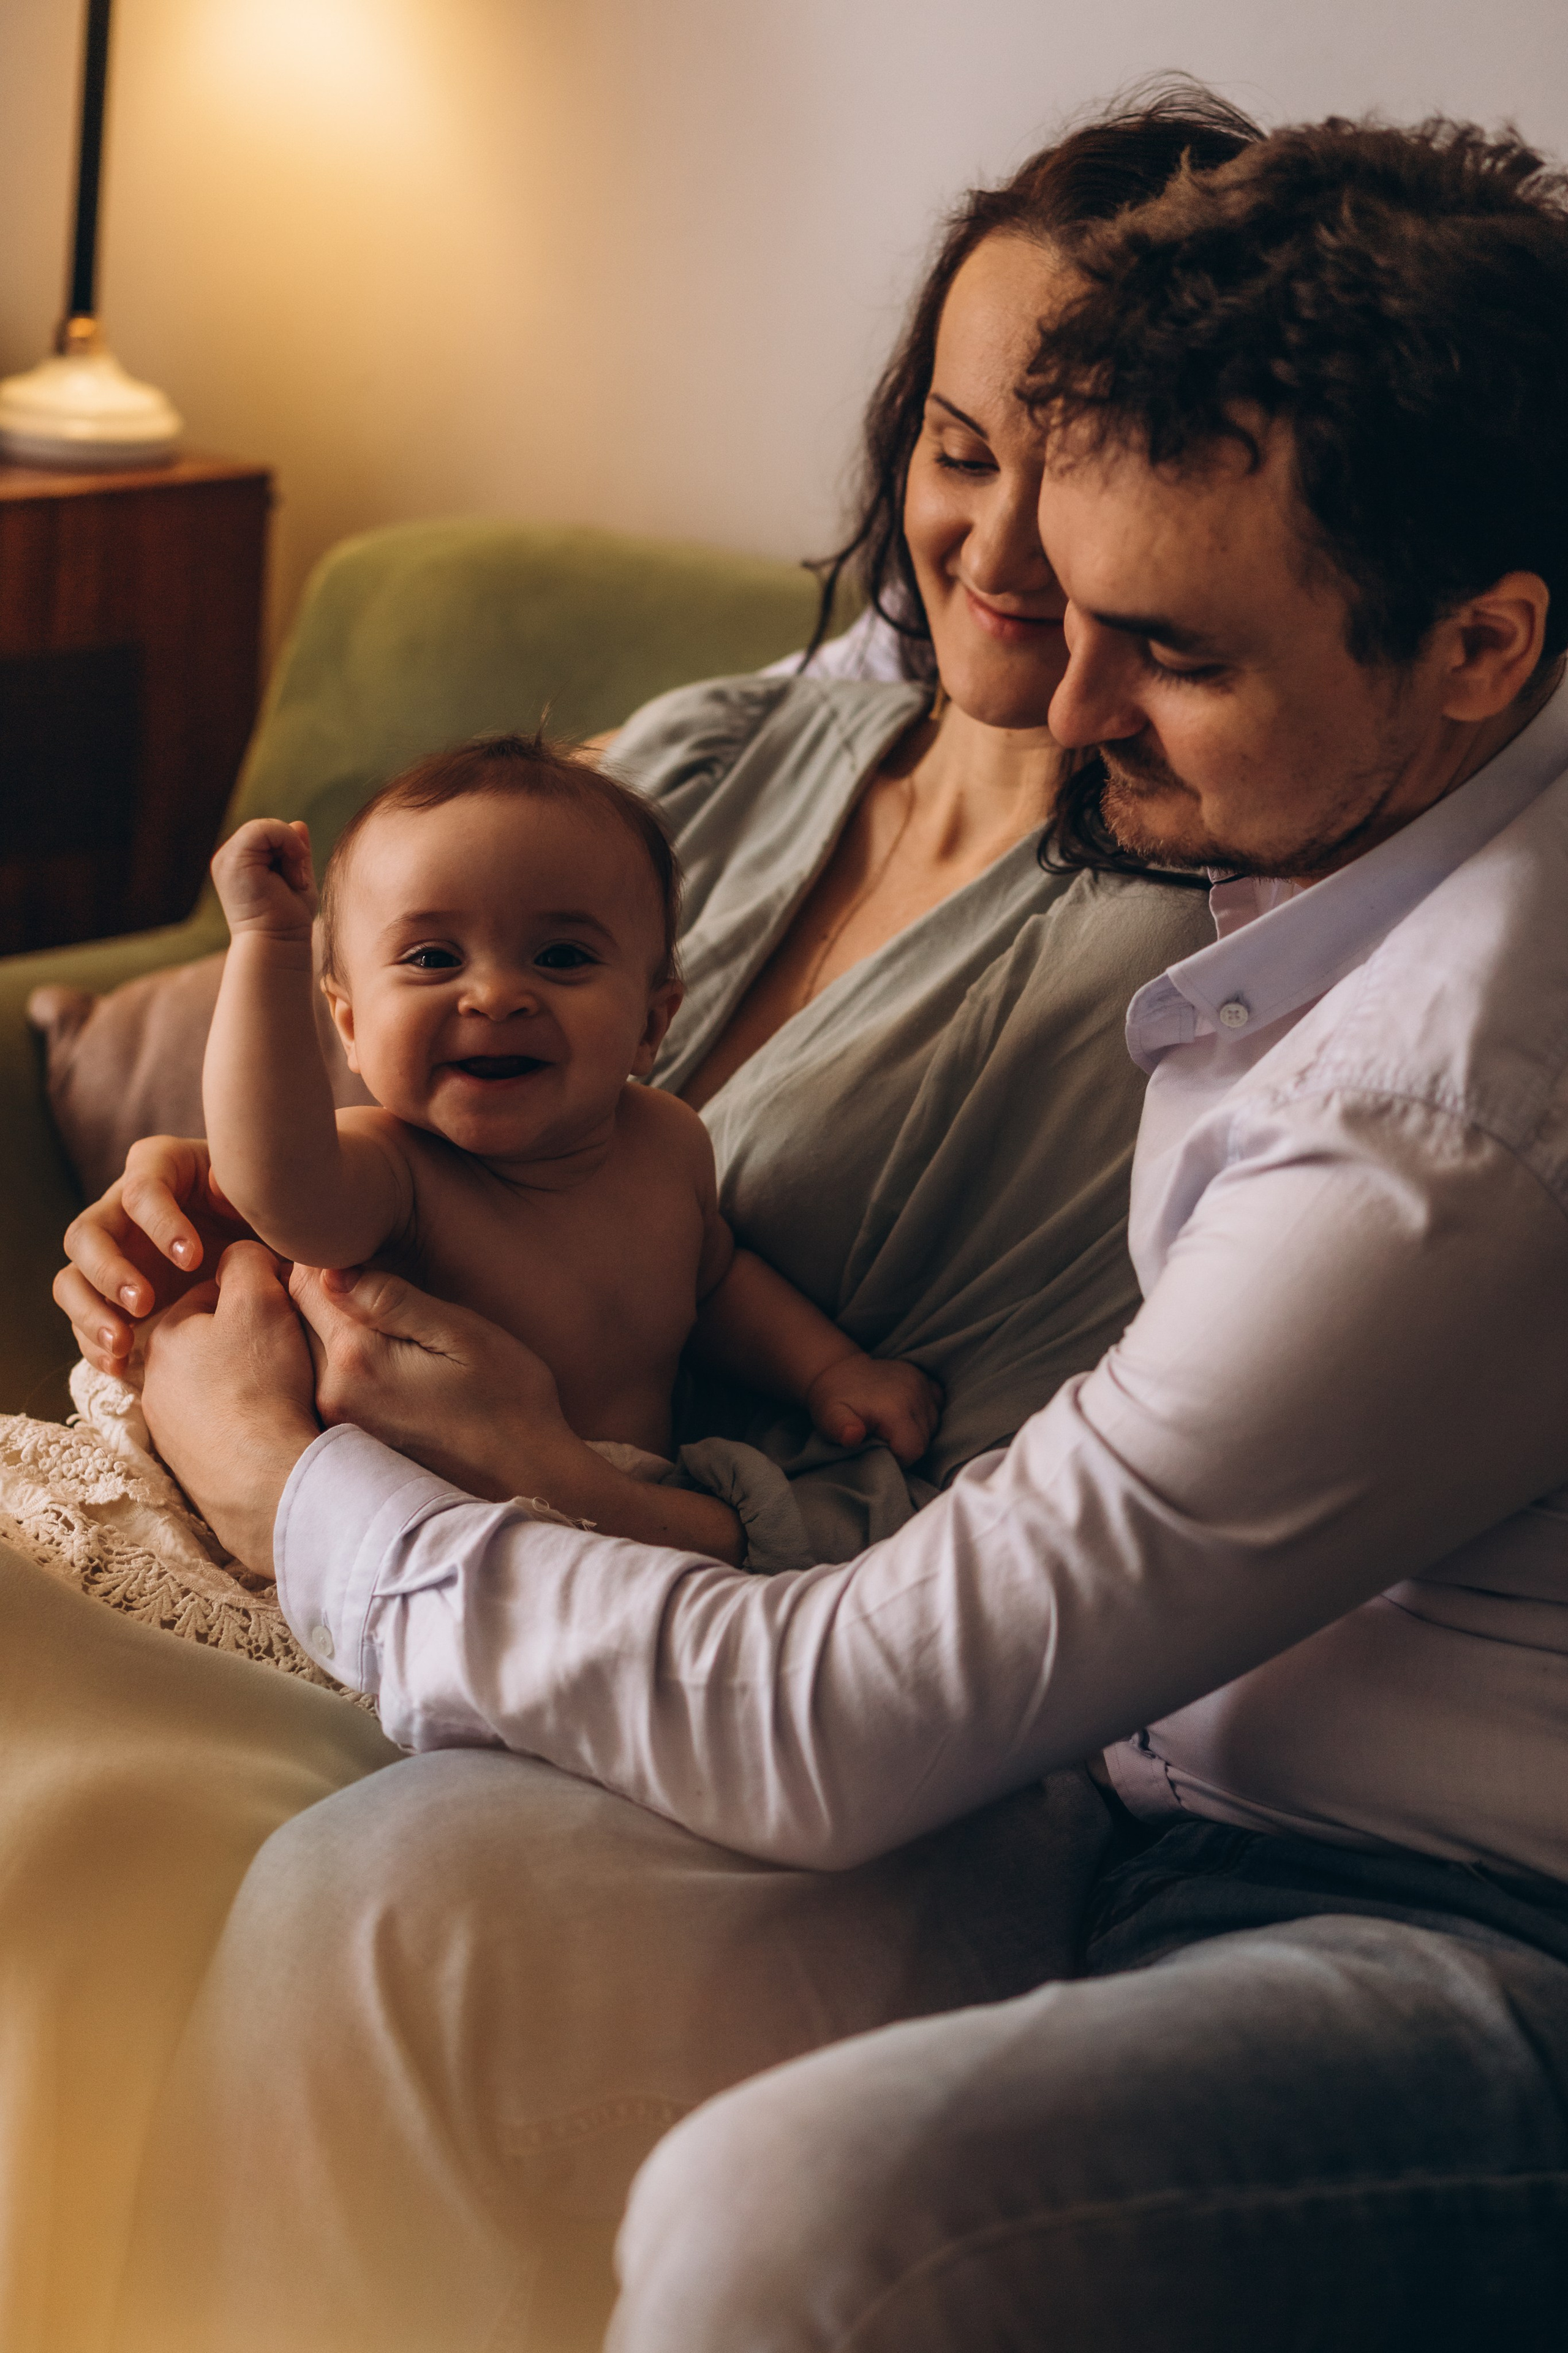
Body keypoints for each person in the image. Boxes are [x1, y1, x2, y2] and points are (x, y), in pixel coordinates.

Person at [106, 110, 1568, 2353]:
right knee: (392, 1904)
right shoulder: (1320, 800)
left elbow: (845, 1712)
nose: (1069, 708)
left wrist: (293, 1482)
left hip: (1454, 1927)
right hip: (1106, 1778)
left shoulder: (1447, 1107)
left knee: (817, 2216)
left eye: (1162, 647)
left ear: (1482, 644)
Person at [203, 736, 938, 1558]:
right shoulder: (391, 1168)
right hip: (417, 1544)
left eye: (561, 956)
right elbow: (276, 1181)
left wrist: (829, 1369)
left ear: (651, 1024)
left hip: (619, 1516)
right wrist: (267, 946)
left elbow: (716, 1279)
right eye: (433, 957)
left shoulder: (669, 1141)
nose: (495, 995)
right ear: (350, 1026)